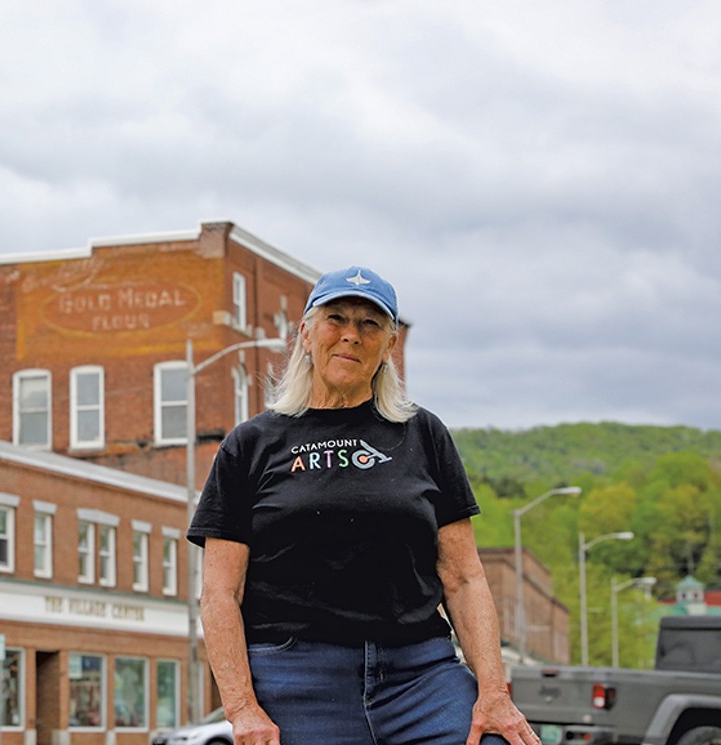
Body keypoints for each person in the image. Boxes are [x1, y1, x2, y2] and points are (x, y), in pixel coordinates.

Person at [189, 266, 537, 745]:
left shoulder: (422, 434)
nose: (351, 335)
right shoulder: (251, 445)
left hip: (421, 675)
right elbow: (220, 593)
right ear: (306, 335)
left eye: (370, 324)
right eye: (336, 318)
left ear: (389, 345)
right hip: (297, 676)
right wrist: (243, 708)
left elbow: (463, 577)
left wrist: (494, 692)